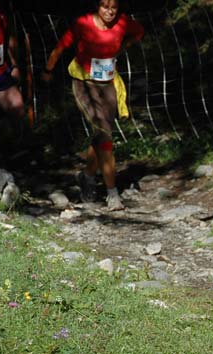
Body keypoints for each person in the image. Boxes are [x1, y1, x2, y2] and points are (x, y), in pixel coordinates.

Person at [41, 0, 143, 211]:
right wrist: (48, 70)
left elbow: (139, 32)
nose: (109, 12)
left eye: (114, 8)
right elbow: (61, 47)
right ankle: (112, 194)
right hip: (84, 84)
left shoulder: (123, 22)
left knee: (101, 135)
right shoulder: (84, 23)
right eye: (105, 7)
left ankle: (87, 176)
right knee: (105, 135)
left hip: (108, 84)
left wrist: (124, 45)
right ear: (98, 6)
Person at [0, 0, 26, 152]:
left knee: (18, 109)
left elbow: (7, 39)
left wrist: (14, 65)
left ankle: (5, 148)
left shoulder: (3, 9)